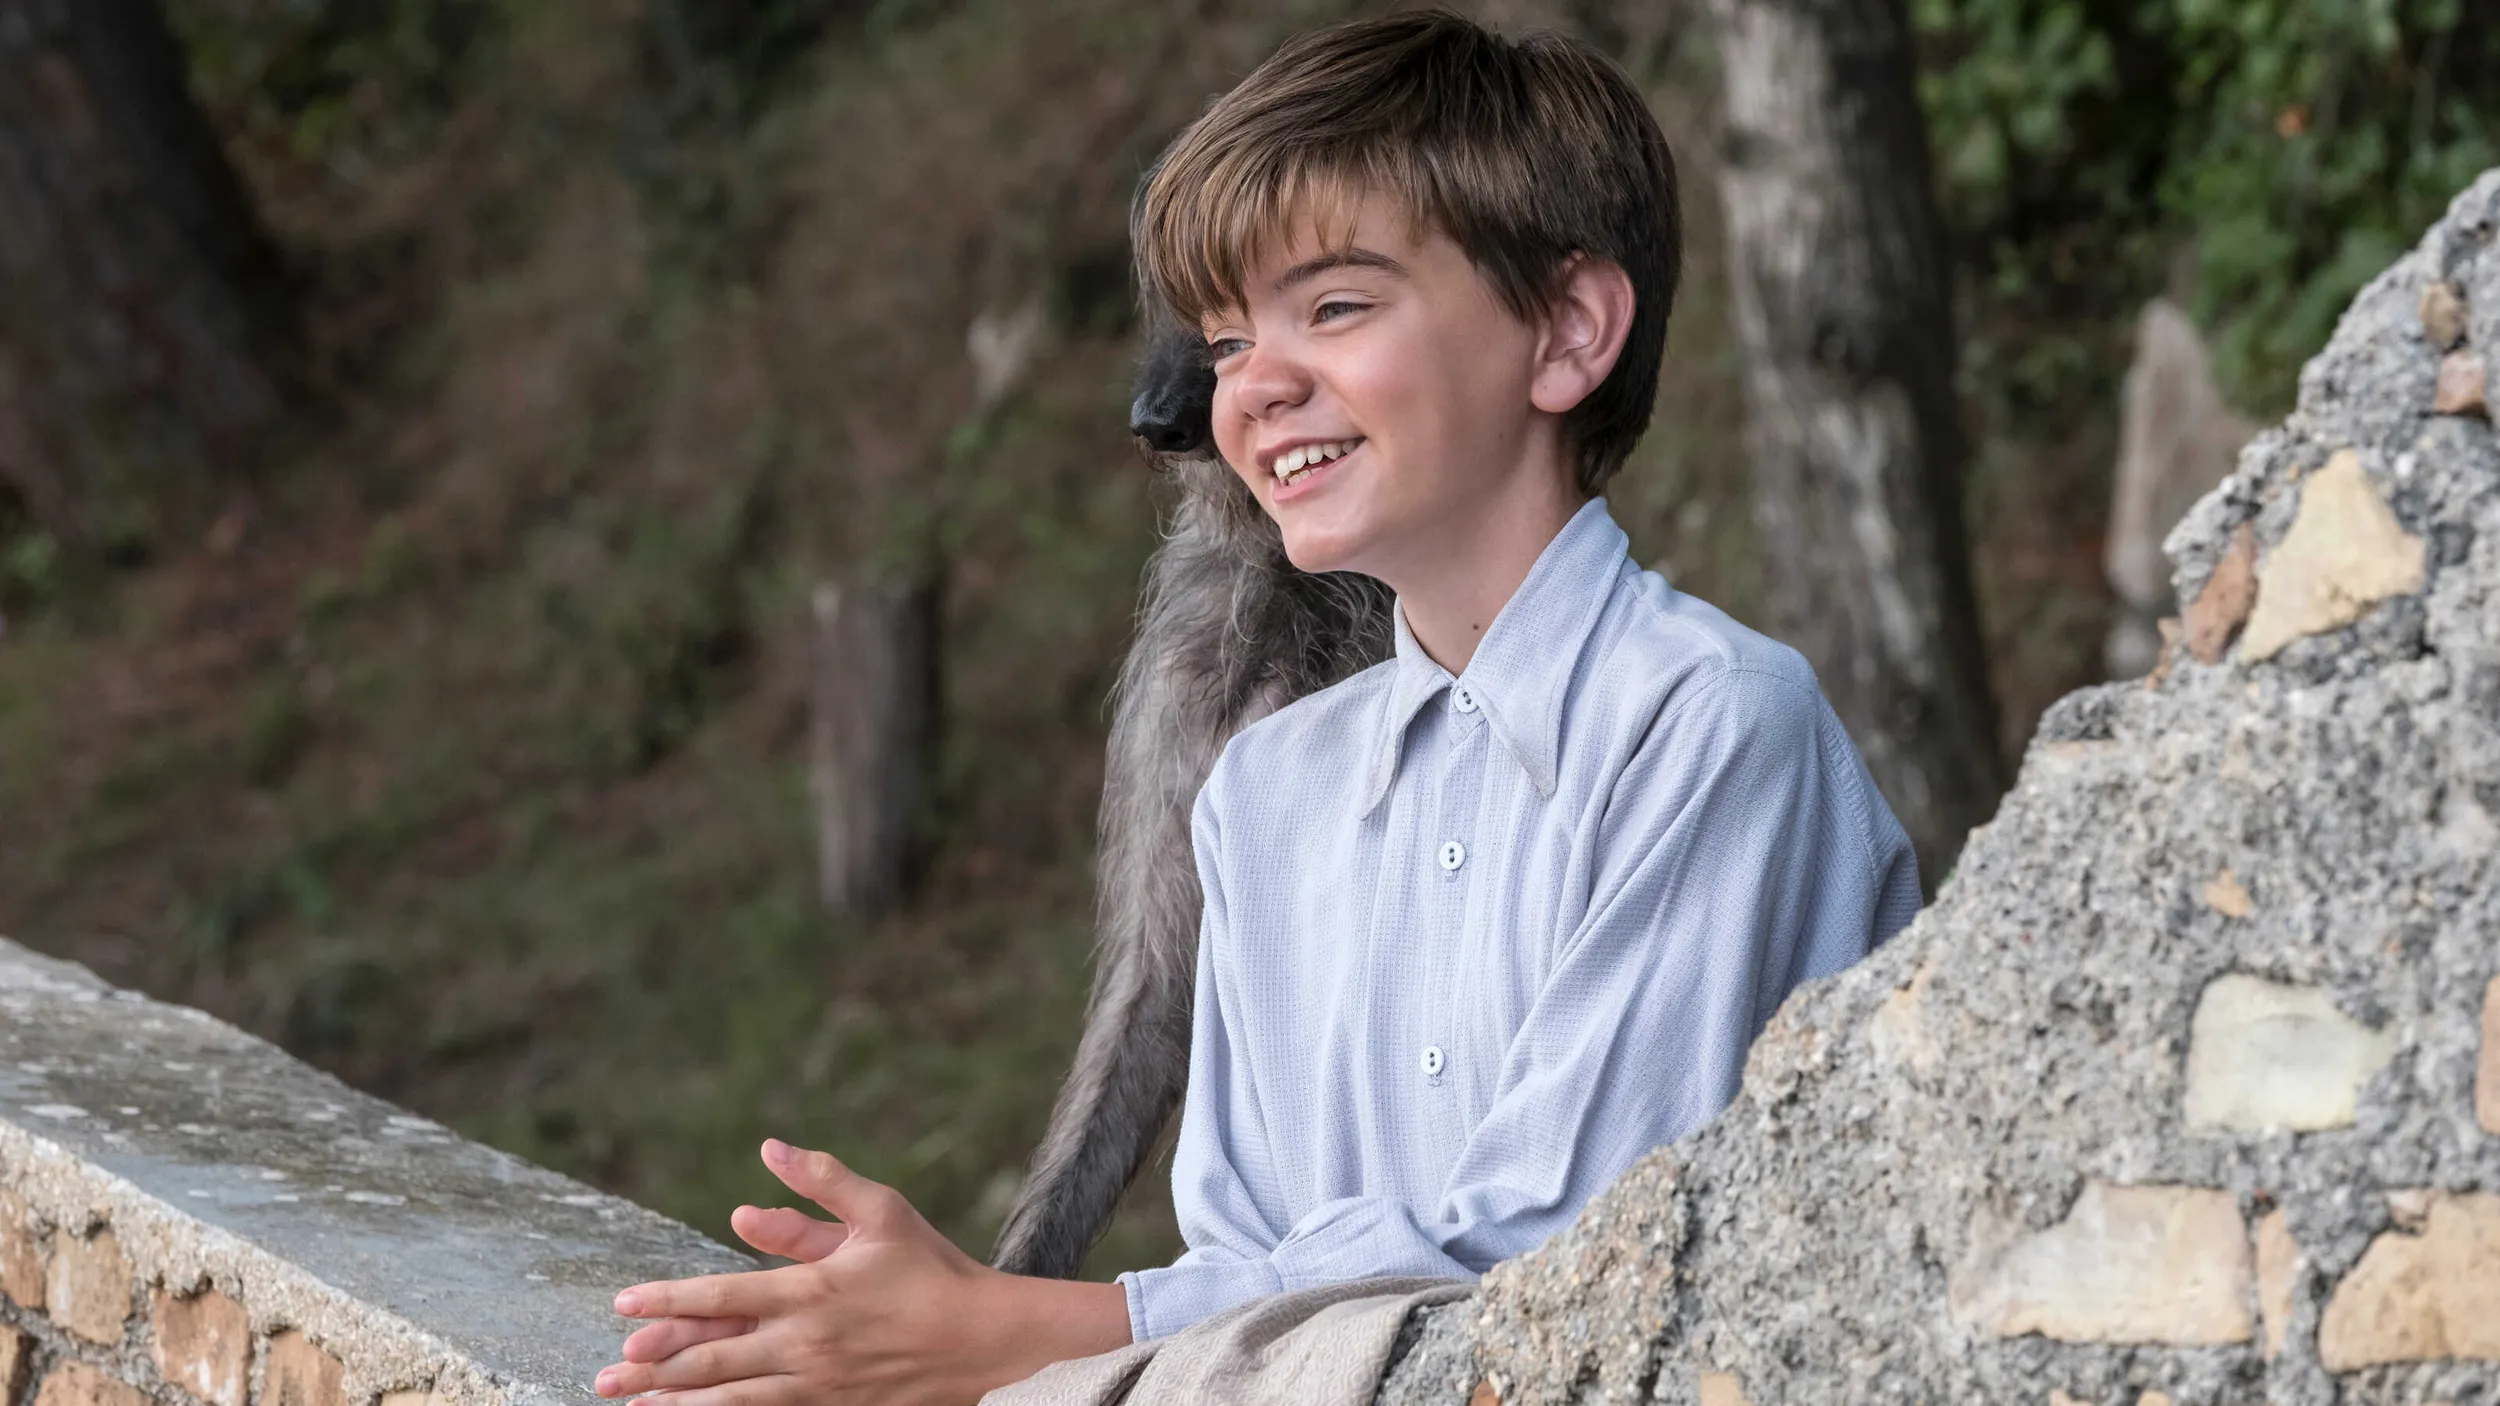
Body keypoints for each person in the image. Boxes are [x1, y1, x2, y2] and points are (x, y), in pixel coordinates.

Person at [592, 11, 1921, 1404]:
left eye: (1334, 308)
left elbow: (1570, 1277)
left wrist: (1003, 1331)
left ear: (1569, 330)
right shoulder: (1267, 793)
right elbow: (1246, 1308)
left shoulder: (1711, 727)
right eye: (1226, 340)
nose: (1253, 387)